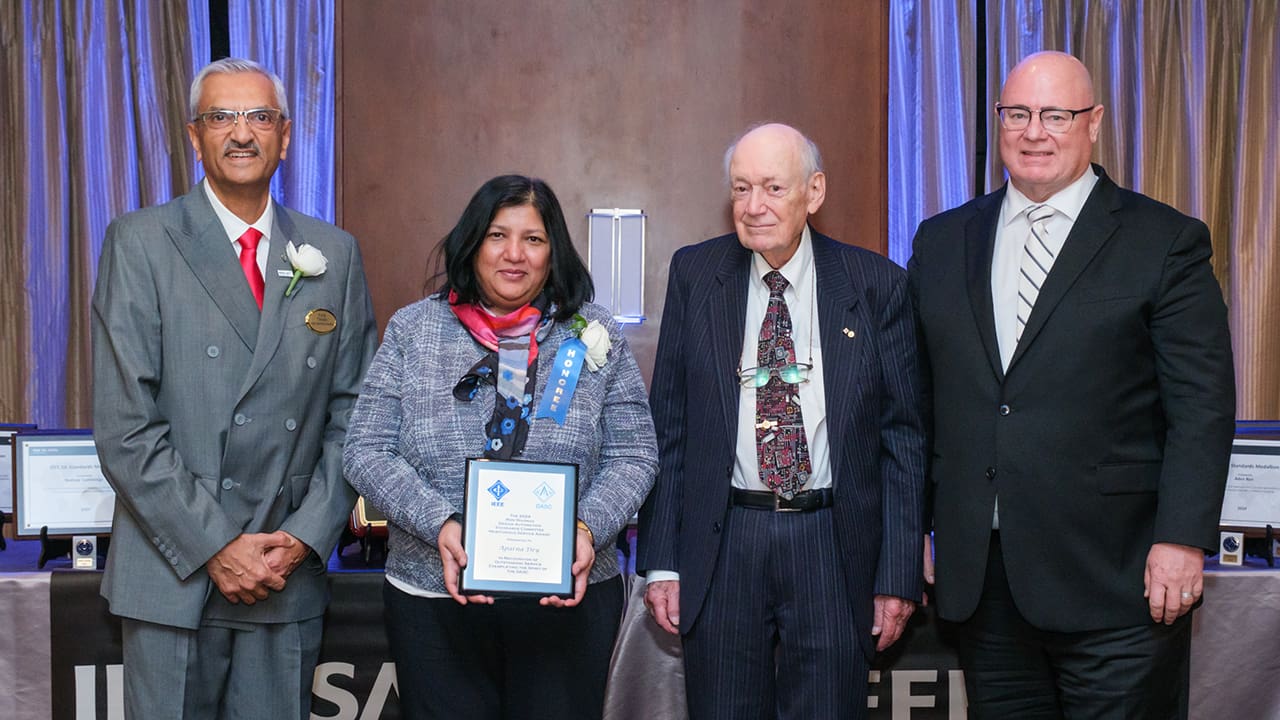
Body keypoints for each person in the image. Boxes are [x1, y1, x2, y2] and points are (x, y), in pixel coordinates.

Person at [909, 51, 1235, 718]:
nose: (1035, 132)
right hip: (985, 583)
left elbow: (1201, 406)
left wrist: (1182, 539)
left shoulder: (1163, 241)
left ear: (1094, 124)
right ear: (998, 121)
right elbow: (919, 404)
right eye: (1018, 114)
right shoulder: (942, 241)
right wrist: (911, 526)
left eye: (1056, 115)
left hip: (1120, 579)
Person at [92, 58, 376, 719]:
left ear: (284, 136)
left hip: (284, 572)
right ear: (195, 136)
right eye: (222, 116)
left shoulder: (333, 253)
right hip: (173, 573)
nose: (241, 132)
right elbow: (125, 427)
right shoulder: (140, 243)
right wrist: (216, 545)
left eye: (259, 117)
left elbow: (356, 416)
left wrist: (303, 537)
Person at [637, 123, 926, 719]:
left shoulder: (876, 286)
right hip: (725, 542)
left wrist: (896, 573)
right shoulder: (696, 275)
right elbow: (671, 427)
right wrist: (663, 559)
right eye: (741, 189)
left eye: (772, 187)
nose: (753, 206)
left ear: (813, 192)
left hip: (831, 541)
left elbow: (903, 439)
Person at [343, 174, 657, 720]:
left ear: (553, 250)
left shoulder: (593, 331)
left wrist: (584, 530)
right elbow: (366, 450)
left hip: (568, 603)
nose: (515, 254)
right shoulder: (414, 330)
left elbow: (634, 455)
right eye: (497, 235)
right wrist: (441, 523)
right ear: (472, 243)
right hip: (433, 600)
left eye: (533, 239)